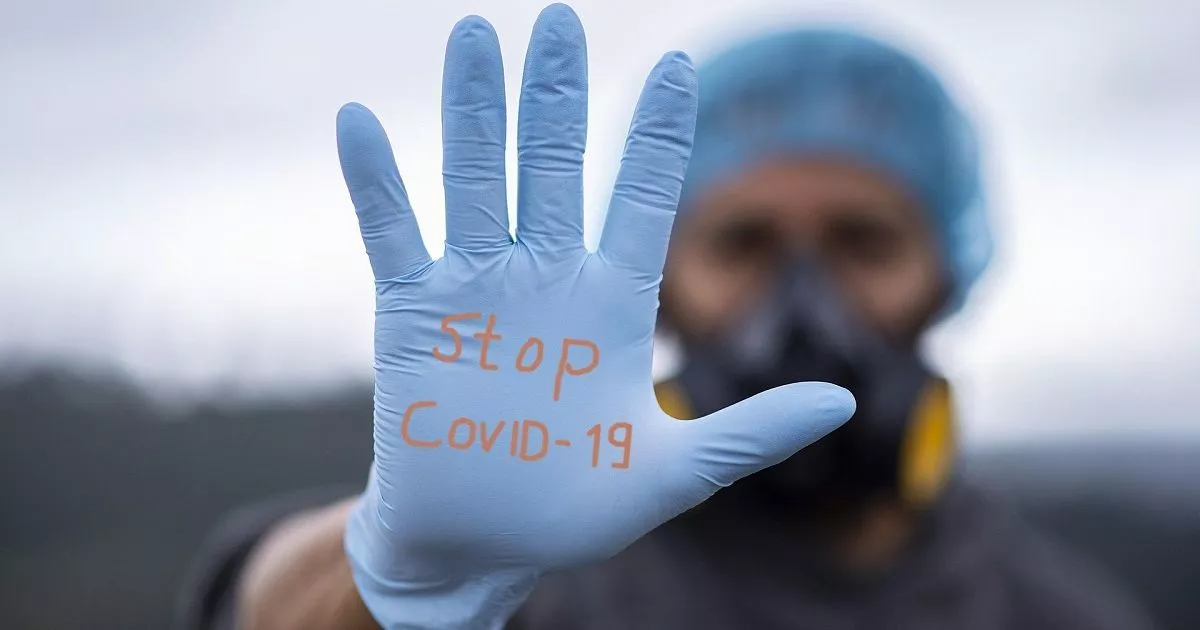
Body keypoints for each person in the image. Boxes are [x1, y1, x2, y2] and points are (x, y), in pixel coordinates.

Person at [180, 4, 1154, 629]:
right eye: (743, 244)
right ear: (662, 281)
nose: (804, 306)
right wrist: (397, 568)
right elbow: (251, 610)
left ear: (946, 276)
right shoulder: (549, 564)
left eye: (863, 243)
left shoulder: (1063, 613)